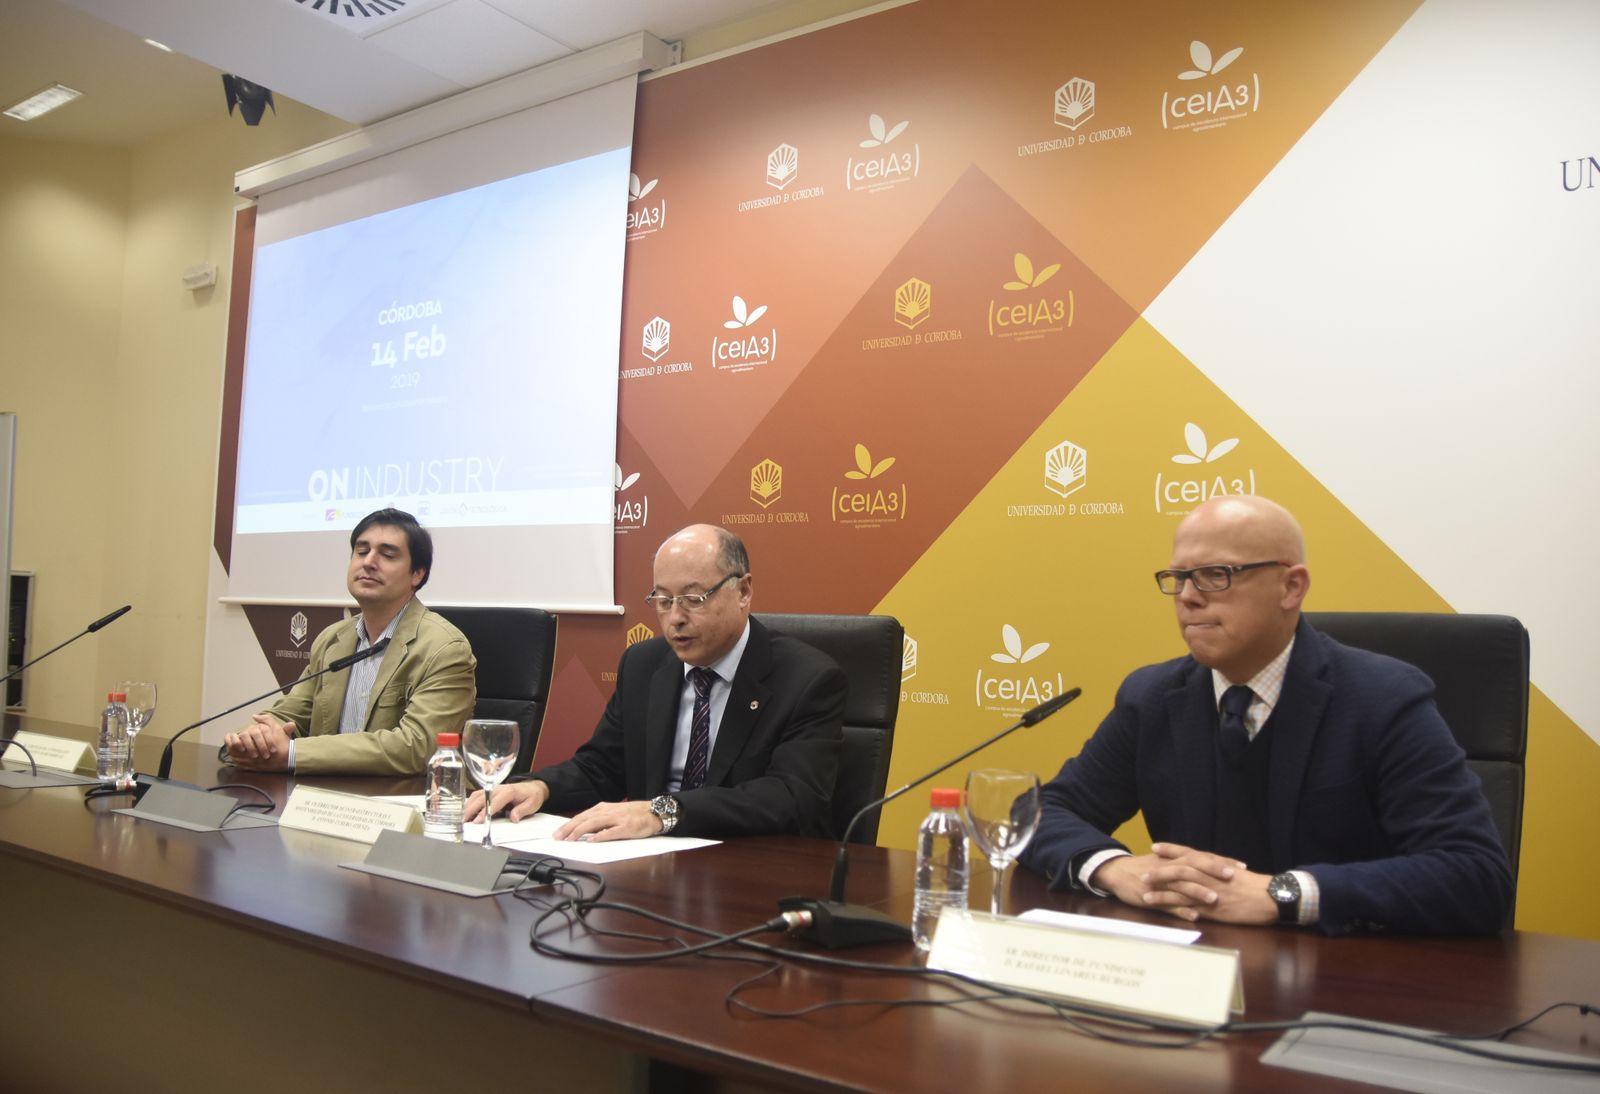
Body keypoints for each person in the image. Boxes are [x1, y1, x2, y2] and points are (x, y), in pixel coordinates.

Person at [1019, 495, 1512, 936]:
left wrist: (1286, 893)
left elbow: (1474, 874)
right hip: (1192, 979)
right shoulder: (1151, 696)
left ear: (1291, 587)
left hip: (1342, 986)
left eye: (1216, 574)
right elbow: (1037, 814)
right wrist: (1113, 868)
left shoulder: (1383, 698)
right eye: (1178, 578)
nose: (1189, 596)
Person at [466, 524, 845, 841]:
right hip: (650, 864)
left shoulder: (807, 678)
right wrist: (540, 786)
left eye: (693, 599)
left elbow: (791, 797)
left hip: (749, 865)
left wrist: (662, 812)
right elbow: (603, 767)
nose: (674, 618)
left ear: (743, 591)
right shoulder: (644, 665)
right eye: (662, 600)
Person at [222, 508, 476, 776]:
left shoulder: (444, 649)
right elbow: (293, 714)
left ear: (417, 574)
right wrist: (251, 738)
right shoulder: (332, 640)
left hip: (406, 804)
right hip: (327, 799)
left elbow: (416, 748)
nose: (369, 562)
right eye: (361, 551)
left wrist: (294, 754)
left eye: (387, 555)